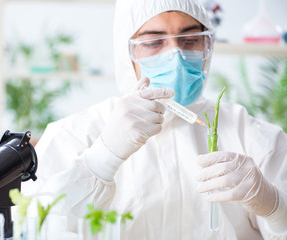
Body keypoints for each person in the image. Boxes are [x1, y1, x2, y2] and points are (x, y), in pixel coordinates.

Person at [23, 0, 287, 239]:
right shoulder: (74, 135)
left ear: (207, 43)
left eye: (190, 39)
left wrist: (275, 207)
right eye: (153, 42)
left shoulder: (253, 135)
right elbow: (33, 228)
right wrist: (103, 158)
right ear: (126, 53)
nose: (177, 55)